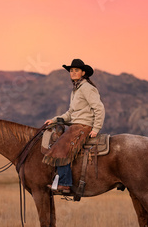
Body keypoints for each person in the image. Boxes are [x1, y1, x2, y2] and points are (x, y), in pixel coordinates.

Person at [42, 59, 105, 193]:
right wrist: (54, 120)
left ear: (83, 72)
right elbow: (70, 113)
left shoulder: (87, 88)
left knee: (61, 148)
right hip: (76, 125)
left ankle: (65, 183)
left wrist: (96, 128)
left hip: (83, 126)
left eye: (76, 70)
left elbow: (99, 108)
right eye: (71, 70)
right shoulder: (76, 90)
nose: (73, 72)